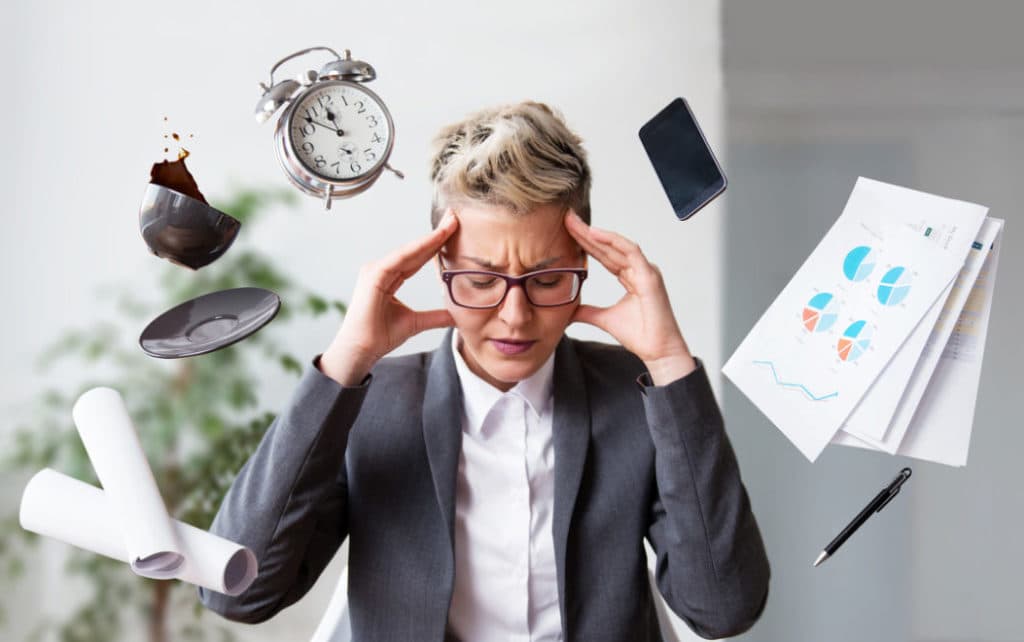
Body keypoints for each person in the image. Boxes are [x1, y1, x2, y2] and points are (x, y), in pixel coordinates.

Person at [199, 101, 770, 641]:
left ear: (584, 265)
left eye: (547, 281)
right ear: (439, 267)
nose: (515, 317)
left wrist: (670, 364)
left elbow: (723, 608)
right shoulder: (374, 403)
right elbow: (237, 593)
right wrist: (343, 365)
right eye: (480, 281)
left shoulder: (634, 395)